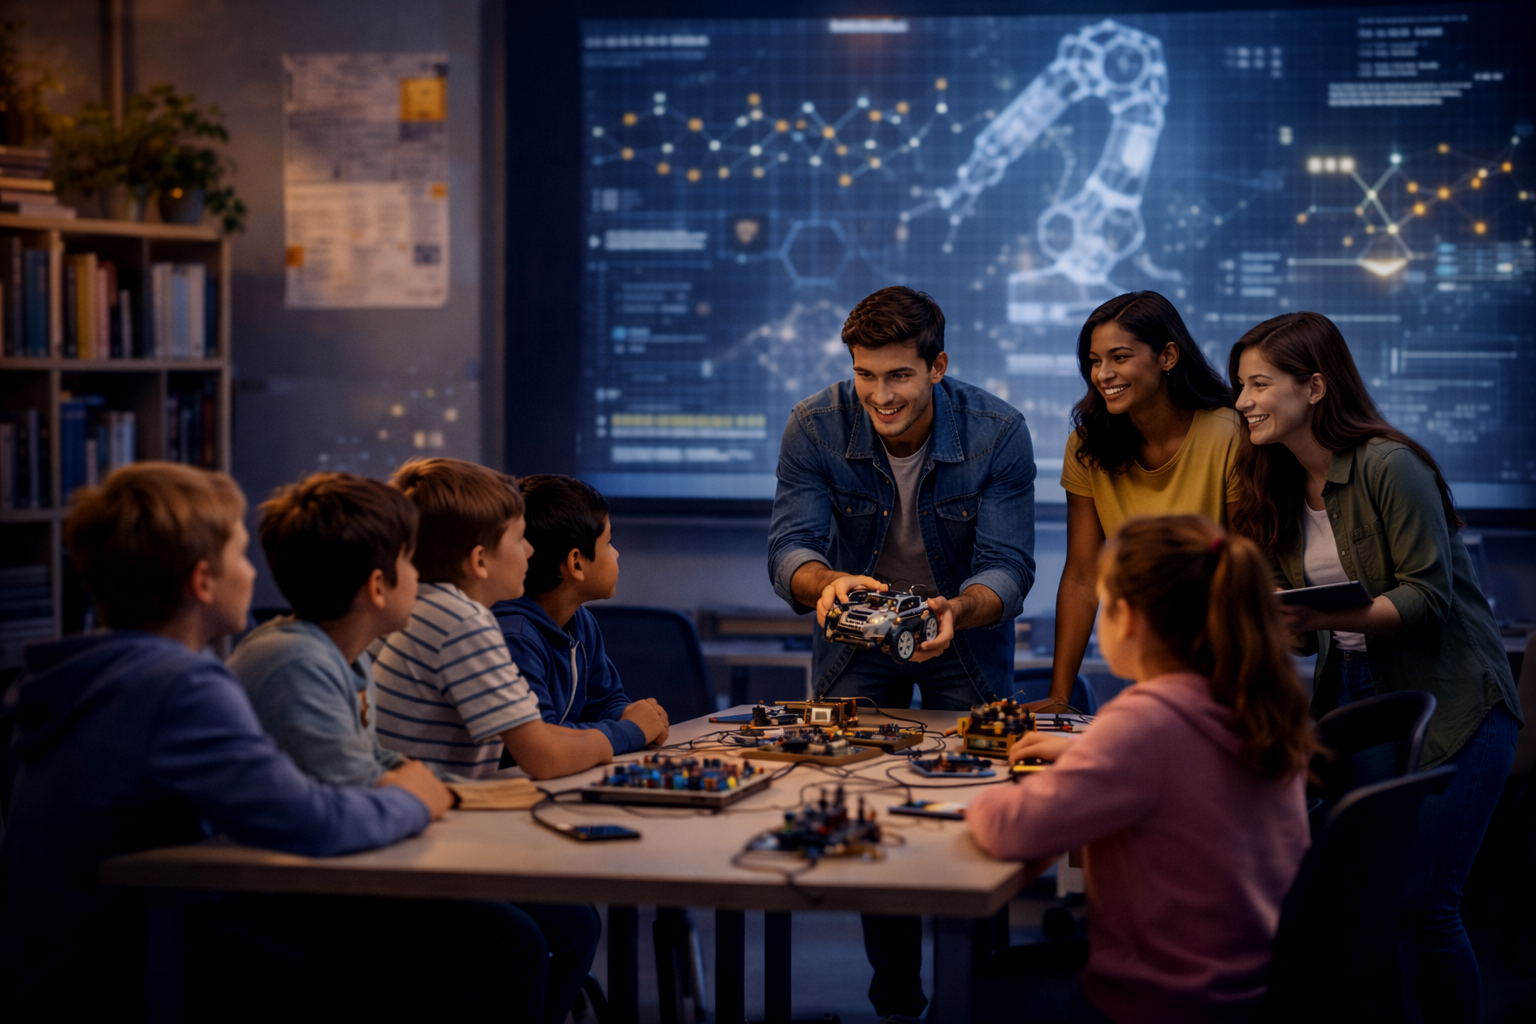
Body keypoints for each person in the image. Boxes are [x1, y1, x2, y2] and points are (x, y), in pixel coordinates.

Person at [0, 463, 448, 1021]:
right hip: (133, 979)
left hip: (59, 977)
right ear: (203, 581)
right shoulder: (178, 686)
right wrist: (412, 799)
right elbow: (311, 821)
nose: (253, 573)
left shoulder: (86, 677)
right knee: (433, 973)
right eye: (239, 554)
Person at [1229, 312, 1522, 1024]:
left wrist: (1312, 617)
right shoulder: (1272, 484)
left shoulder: (1390, 464)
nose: (1242, 402)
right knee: (1375, 905)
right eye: (1241, 386)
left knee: (1429, 905)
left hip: (1456, 701)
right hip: (1361, 701)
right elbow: (1303, 639)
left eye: (1259, 384)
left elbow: (1427, 598)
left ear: (1315, 387)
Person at [229, 470, 599, 1024]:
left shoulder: (341, 656)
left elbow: (374, 764)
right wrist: (414, 791)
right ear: (380, 586)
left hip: (345, 871)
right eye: (410, 561)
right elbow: (350, 797)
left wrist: (416, 783)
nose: (424, 576)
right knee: (509, 947)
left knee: (520, 941)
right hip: (301, 893)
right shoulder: (297, 661)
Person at [767, 285, 1036, 1021]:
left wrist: (956, 609)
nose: (880, 396)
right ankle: (896, 1003)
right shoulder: (814, 425)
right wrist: (826, 585)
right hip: (856, 639)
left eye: (898, 376)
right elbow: (789, 549)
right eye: (865, 375)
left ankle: (977, 996)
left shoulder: (998, 431)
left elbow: (1009, 567)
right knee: (861, 806)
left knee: (978, 808)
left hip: (963, 637)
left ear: (937, 367)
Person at [968, 515, 1313, 1024]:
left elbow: (1009, 827)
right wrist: (1088, 751)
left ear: (1127, 617)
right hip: (1250, 993)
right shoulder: (1251, 703)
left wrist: (978, 797)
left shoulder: (1144, 724)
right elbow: (1176, 769)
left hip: (1162, 1003)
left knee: (982, 993)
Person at [1046, 291, 1241, 709]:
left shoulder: (1229, 434)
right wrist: (1059, 697)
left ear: (1167, 356)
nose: (1103, 374)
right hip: (1145, 656)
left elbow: (1246, 573)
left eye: (1119, 357)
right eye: (1095, 361)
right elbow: (1082, 576)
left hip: (1224, 666)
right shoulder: (1086, 445)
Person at [371, 457, 617, 779]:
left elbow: (542, 732)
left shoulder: (424, 609)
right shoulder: (461, 622)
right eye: (518, 538)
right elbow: (544, 758)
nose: (530, 550)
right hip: (427, 802)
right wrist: (611, 740)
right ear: (480, 561)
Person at [492, 474, 668, 754]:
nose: (616, 553)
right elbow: (543, 740)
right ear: (575, 563)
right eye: (608, 542)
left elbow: (603, 702)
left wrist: (632, 715)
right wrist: (630, 730)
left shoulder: (580, 622)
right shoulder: (515, 638)